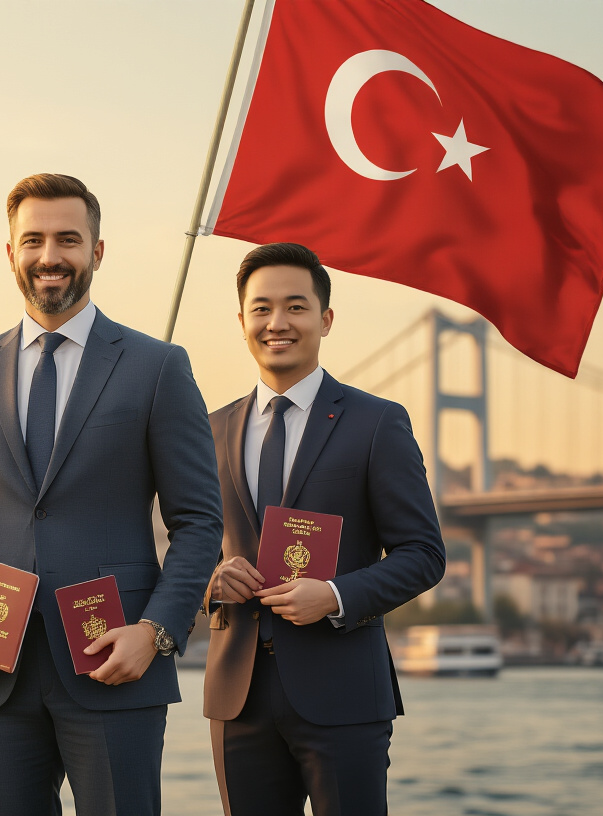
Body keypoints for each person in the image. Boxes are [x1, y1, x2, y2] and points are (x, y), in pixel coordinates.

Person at [0, 173, 224, 816]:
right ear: (10, 252)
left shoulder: (158, 366)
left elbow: (199, 522)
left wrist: (159, 632)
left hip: (117, 660)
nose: (49, 256)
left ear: (98, 250)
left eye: (68, 239)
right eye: (33, 239)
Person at [203, 242, 447, 816]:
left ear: (325, 319)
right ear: (242, 322)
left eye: (295, 307)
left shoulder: (377, 422)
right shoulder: (208, 429)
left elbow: (422, 553)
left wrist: (336, 595)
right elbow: (185, 550)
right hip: (236, 696)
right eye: (261, 309)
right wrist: (211, 578)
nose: (277, 323)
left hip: (344, 694)